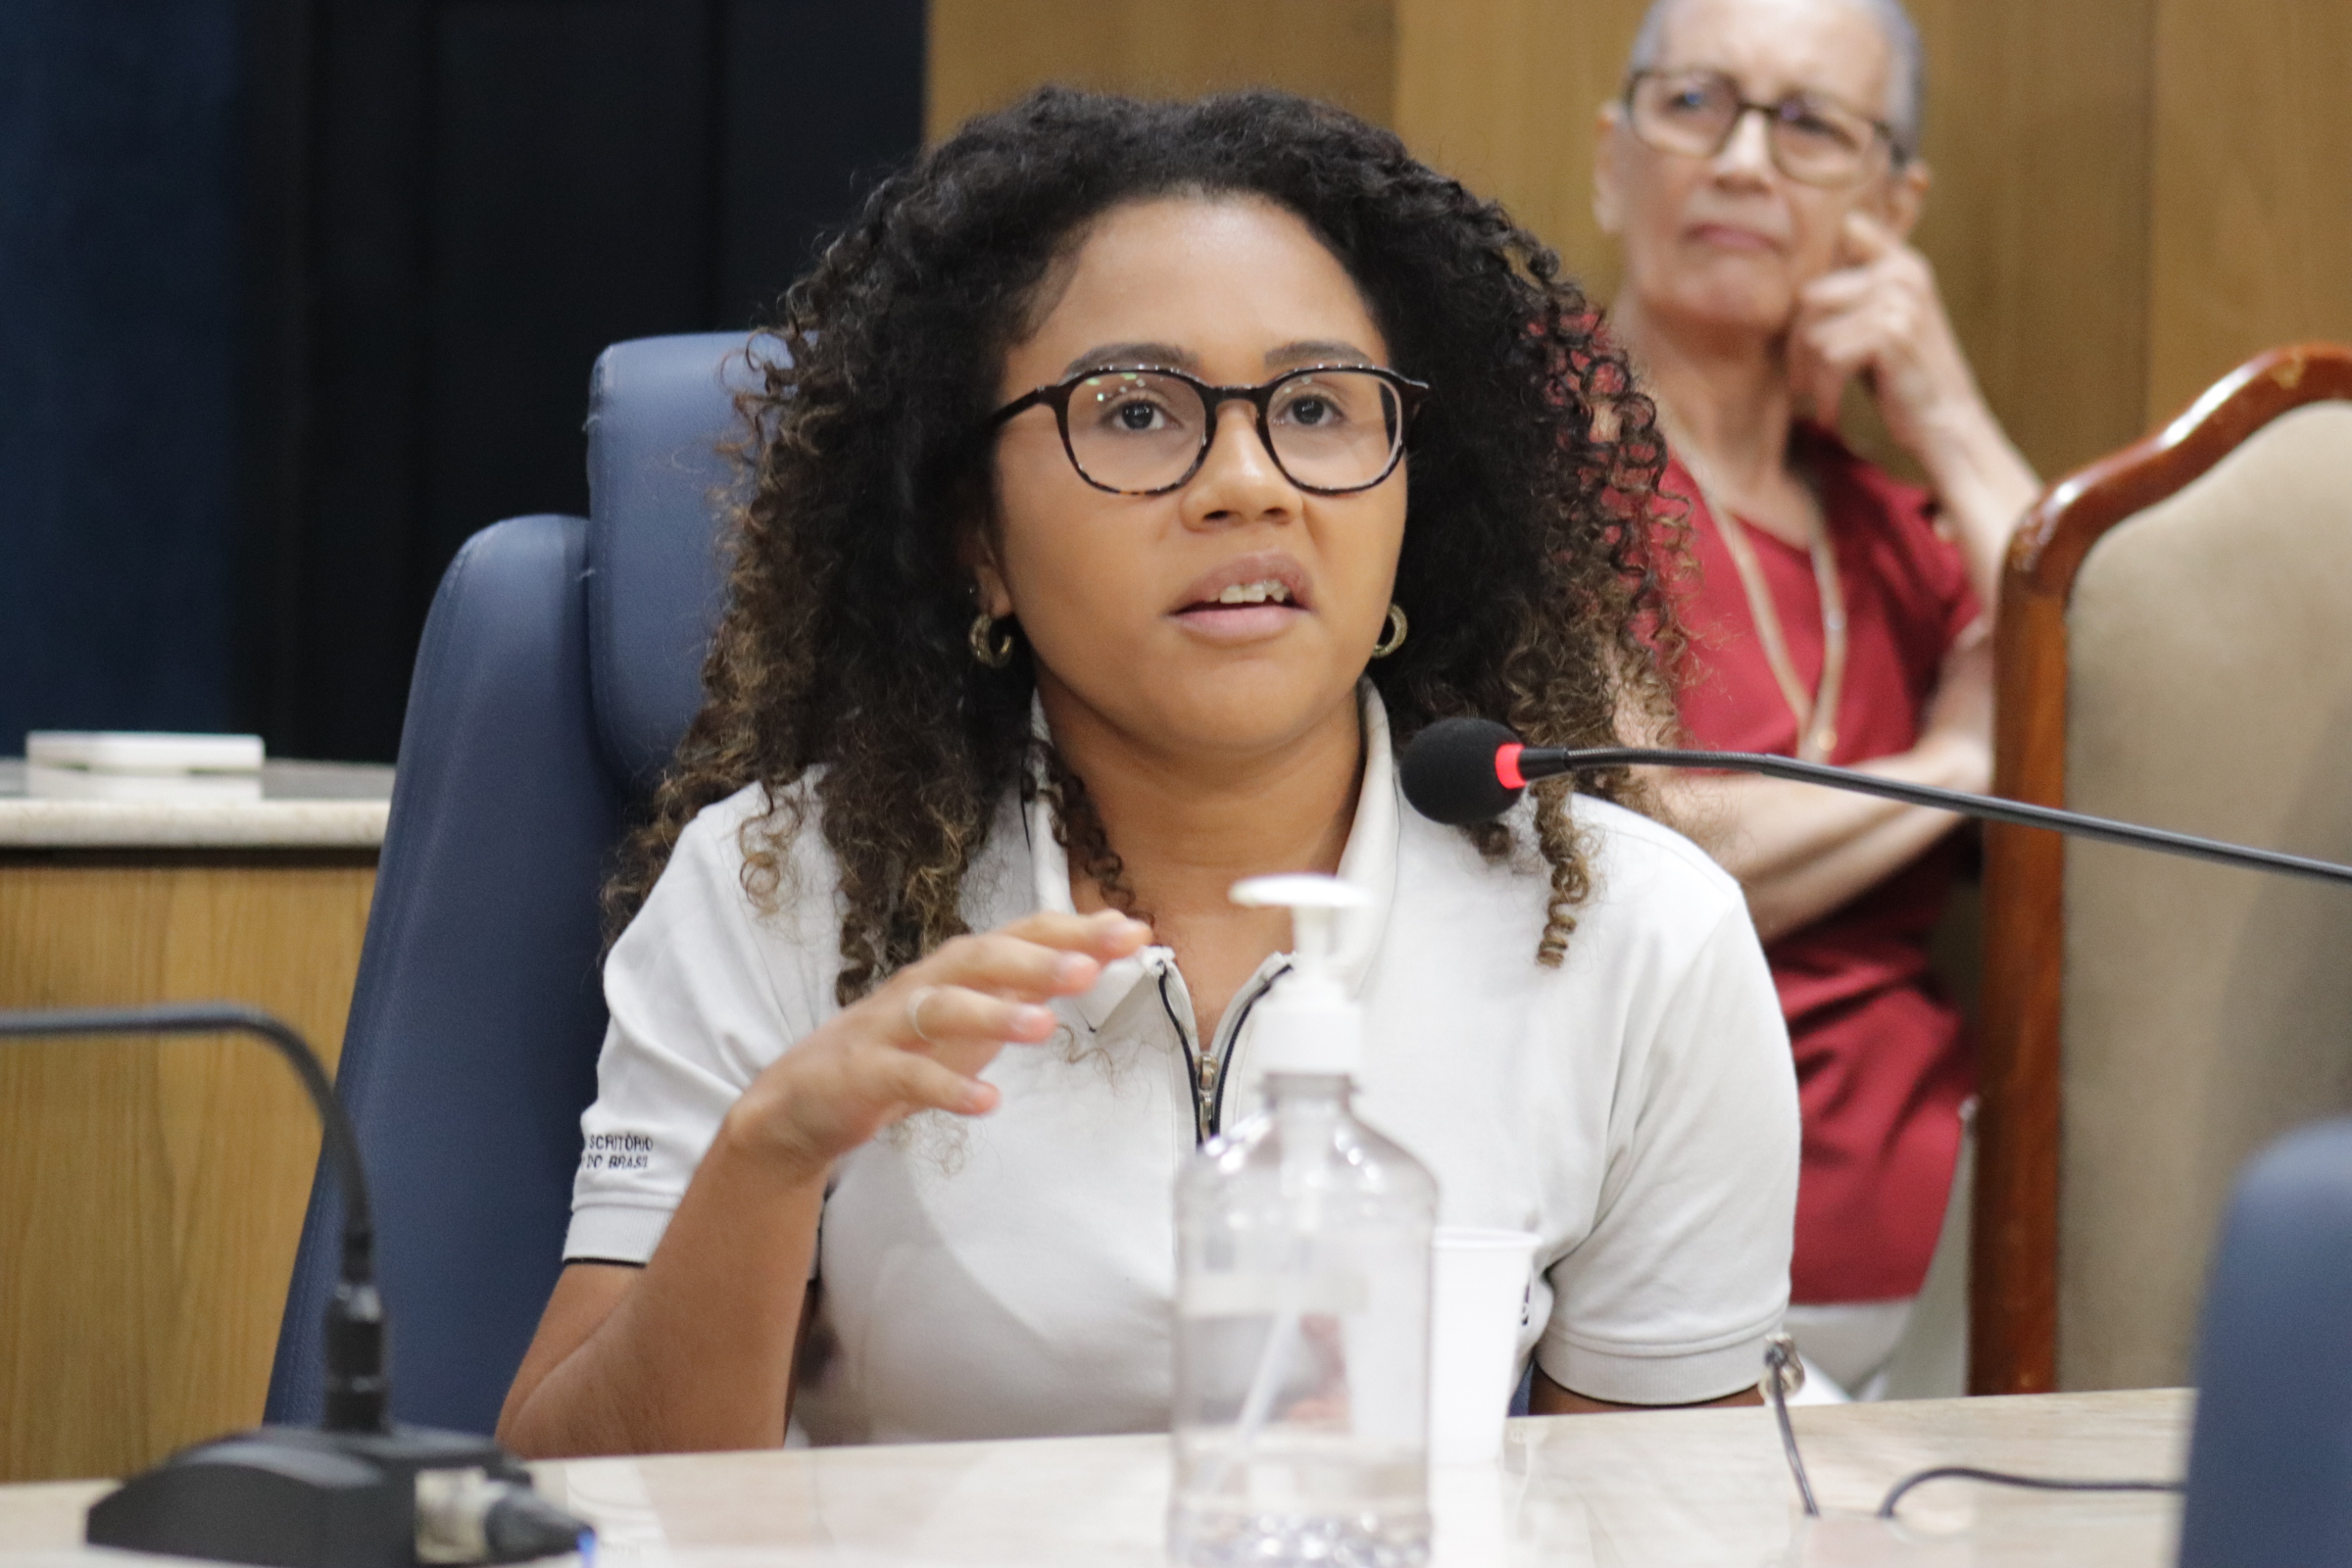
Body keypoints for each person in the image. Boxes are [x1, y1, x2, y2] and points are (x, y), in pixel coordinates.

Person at [497, 87, 1799, 1456]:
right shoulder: (784, 893)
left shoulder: (1636, 937)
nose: (1248, 483)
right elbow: (584, 1496)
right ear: (976, 536)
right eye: (1132, 413)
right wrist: (772, 1156)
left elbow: (1666, 1517)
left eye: (1316, 406)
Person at [1592, 0, 2042, 1397]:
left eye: (1807, 127)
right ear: (1613, 160)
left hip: (1966, 1261)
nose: (1740, 161)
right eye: (1694, 104)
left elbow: (2124, 739)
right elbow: (1654, 849)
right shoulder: (1544, 477)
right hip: (1665, 1271)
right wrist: (1960, 761)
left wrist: (1947, 414)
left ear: (1889, 208)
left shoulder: (1890, 521)